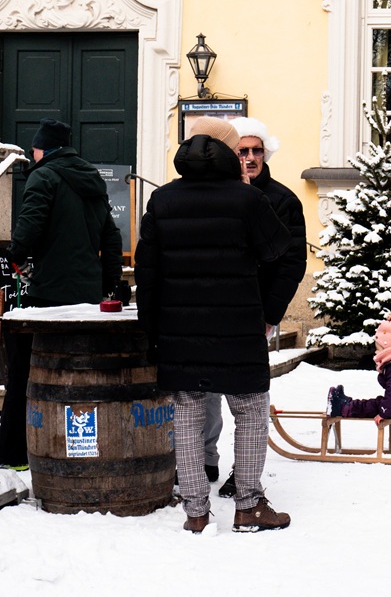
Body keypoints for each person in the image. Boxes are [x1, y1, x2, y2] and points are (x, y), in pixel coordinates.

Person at [134, 116, 292, 533]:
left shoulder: (163, 199)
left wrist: (150, 331)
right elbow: (277, 247)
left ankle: (196, 513)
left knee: (185, 414)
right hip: (238, 329)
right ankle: (249, 506)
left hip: (179, 331)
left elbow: (146, 273)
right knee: (251, 411)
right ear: (229, 151)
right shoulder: (245, 199)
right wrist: (243, 194)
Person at [0, 118, 123, 470]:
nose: (33, 155)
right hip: (87, 294)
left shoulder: (43, 176)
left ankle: (14, 452)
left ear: (43, 149)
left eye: (35, 149)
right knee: (80, 373)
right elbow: (110, 237)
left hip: (48, 293)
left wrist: (17, 254)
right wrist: (108, 283)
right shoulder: (91, 178)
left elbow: (30, 225)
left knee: (26, 369)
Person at [210, 115, 307, 497]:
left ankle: (243, 472)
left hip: (253, 312)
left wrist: (271, 314)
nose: (249, 157)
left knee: (248, 399)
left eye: (255, 151)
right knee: (203, 396)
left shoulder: (282, 199)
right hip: (214, 310)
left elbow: (291, 263)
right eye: (241, 151)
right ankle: (203, 462)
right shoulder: (217, 192)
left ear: (265, 154)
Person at [326, 313, 391, 422]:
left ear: (389, 349)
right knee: (376, 403)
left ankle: (344, 408)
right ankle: (347, 403)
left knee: (374, 406)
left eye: (379, 349)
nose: (376, 352)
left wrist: (384, 412)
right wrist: (383, 372)